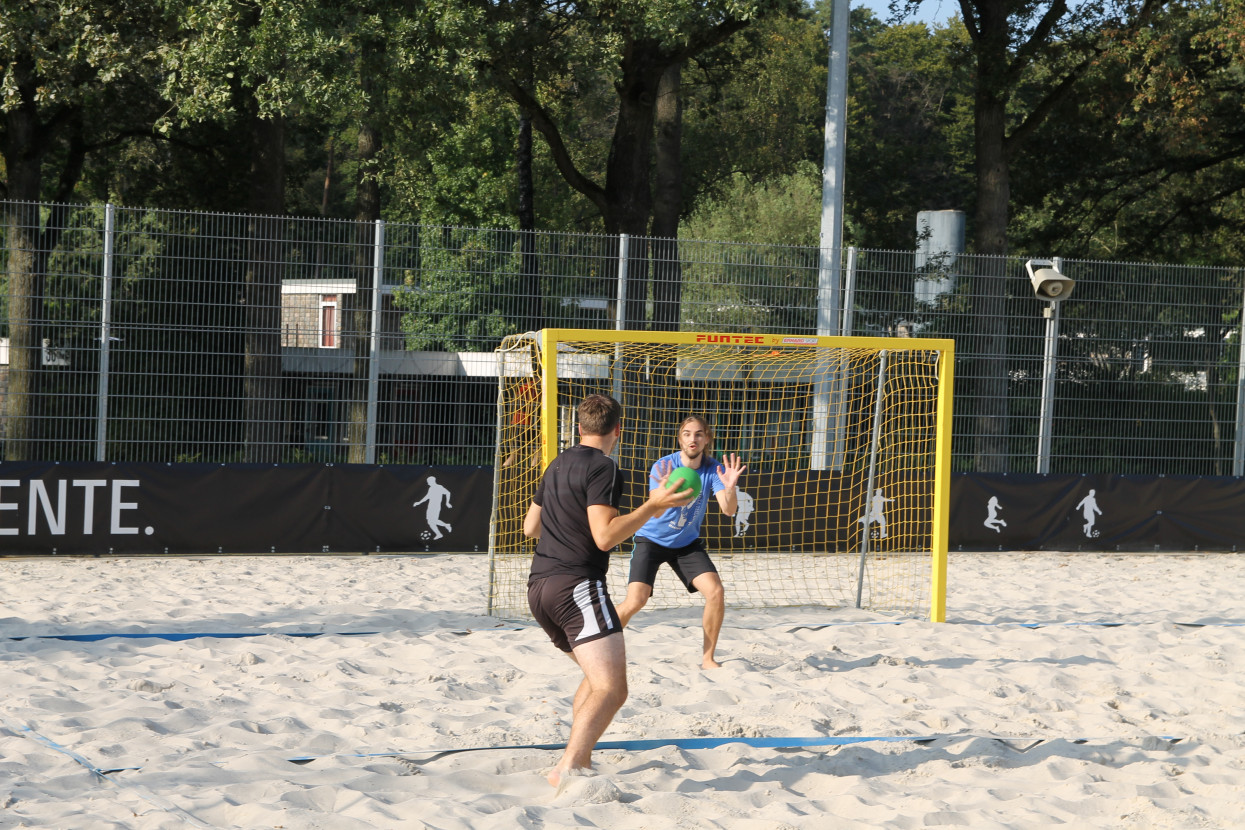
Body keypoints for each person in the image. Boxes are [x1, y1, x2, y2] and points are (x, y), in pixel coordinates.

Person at [523, 393, 693, 789]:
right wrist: (653, 505)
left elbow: (531, 527)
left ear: (579, 428)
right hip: (576, 586)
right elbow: (604, 537)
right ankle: (570, 768)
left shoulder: (557, 463)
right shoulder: (605, 468)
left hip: (539, 588)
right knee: (613, 688)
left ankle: (572, 759)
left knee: (595, 678)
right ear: (619, 429)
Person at [616, 415, 747, 670]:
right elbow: (654, 512)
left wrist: (730, 488)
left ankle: (708, 659)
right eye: (687, 434)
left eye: (698, 434)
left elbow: (728, 510)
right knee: (636, 601)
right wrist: (665, 493)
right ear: (680, 439)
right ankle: (597, 642)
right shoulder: (664, 465)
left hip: (686, 543)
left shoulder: (713, 469)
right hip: (651, 539)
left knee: (716, 592)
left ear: (707, 438)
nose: (692, 439)